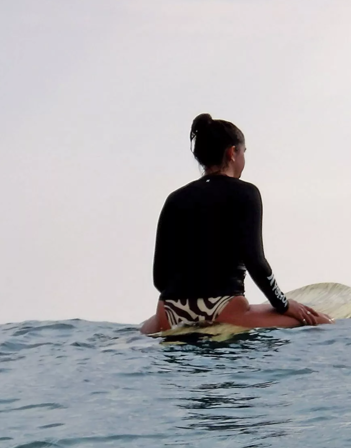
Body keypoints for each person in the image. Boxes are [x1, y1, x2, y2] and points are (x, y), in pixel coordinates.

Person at [140, 113, 332, 334]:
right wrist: (284, 305)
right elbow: (256, 262)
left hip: (169, 311)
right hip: (222, 310)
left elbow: (159, 278)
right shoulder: (245, 193)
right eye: (244, 152)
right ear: (232, 153)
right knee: (321, 322)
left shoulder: (174, 198)